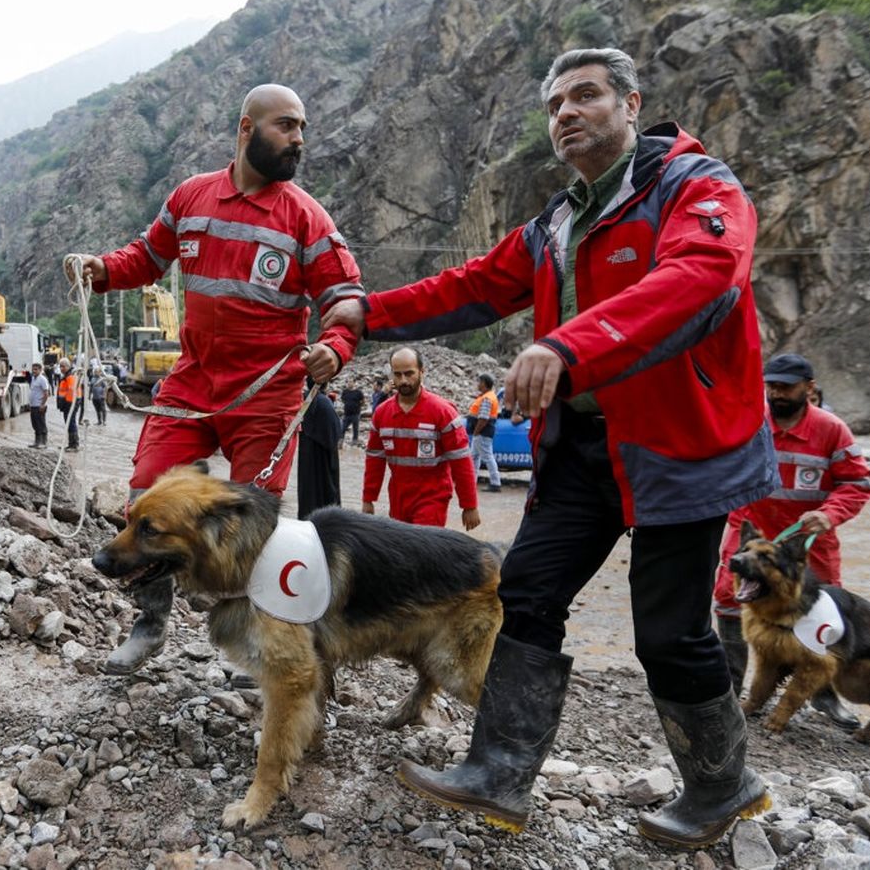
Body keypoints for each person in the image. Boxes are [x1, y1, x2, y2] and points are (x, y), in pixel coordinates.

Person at [322, 47, 777, 848]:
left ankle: (724, 786)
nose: (568, 111)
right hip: (583, 445)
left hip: (680, 445)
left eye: (588, 95)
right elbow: (468, 287)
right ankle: (499, 771)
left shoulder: (696, 186)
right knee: (525, 590)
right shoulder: (558, 222)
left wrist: (570, 345)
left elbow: (704, 274)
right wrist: (368, 313)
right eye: (557, 101)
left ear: (631, 103)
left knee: (668, 632)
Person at [74, 83, 363, 675]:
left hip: (267, 396)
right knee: (144, 497)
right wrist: (102, 271)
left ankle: (245, 639)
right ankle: (151, 622)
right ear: (245, 128)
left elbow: (345, 296)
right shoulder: (191, 198)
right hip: (191, 386)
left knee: (251, 524)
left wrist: (334, 347)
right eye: (286, 125)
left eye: (302, 127)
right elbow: (147, 257)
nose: (299, 139)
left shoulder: (306, 218)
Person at [713, 352, 870, 728]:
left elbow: (857, 484)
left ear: (809, 388)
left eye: (786, 386)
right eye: (771, 385)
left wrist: (829, 514)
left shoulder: (832, 430)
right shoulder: (749, 420)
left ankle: (824, 697)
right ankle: (728, 691)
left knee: (823, 615)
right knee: (729, 598)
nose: (776, 393)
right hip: (751, 531)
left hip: (809, 540)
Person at [363, 347, 480, 530]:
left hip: (432, 498)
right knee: (401, 550)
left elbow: (461, 461)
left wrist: (469, 505)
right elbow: (374, 460)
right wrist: (368, 499)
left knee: (424, 553)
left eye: (409, 373)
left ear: (422, 372)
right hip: (399, 498)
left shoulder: (442, 412)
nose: (403, 380)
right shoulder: (382, 414)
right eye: (398, 374)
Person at [297, 378, 341, 518]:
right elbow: (335, 431)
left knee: (307, 494)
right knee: (325, 492)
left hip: (306, 454)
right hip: (323, 457)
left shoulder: (304, 399)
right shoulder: (323, 401)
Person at [467, 372, 503, 493]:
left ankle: (495, 482)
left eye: (480, 382)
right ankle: (471, 481)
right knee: (474, 457)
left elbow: (483, 418)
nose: (478, 384)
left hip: (482, 432)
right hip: (481, 433)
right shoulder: (488, 396)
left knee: (487, 457)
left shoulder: (487, 398)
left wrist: (476, 432)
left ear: (484, 384)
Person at [55, 357, 81, 451]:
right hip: (68, 403)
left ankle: (74, 445)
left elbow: (72, 390)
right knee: (69, 423)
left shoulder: (70, 376)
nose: (61, 368)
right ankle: (71, 444)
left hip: (70, 403)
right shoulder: (66, 376)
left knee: (71, 423)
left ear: (68, 366)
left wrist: (69, 404)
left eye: (63, 366)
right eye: (60, 366)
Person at [27, 362, 51, 449]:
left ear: (40, 370)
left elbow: (46, 393)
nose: (34, 371)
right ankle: (37, 442)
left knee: (41, 423)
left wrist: (42, 404)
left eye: (36, 369)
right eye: (33, 369)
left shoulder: (42, 379)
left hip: (39, 406)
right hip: (33, 405)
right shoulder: (33, 378)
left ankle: (43, 442)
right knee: (35, 424)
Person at [339, 381, 365, 447]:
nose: (350, 383)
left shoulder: (358, 392)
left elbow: (363, 401)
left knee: (355, 428)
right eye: (349, 382)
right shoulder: (345, 392)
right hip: (347, 413)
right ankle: (340, 442)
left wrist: (358, 406)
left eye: (351, 382)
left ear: (354, 383)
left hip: (356, 413)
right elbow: (342, 400)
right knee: (343, 428)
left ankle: (354, 443)